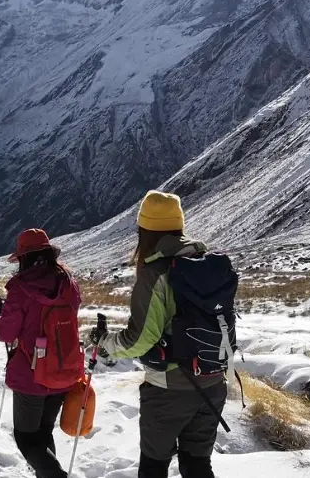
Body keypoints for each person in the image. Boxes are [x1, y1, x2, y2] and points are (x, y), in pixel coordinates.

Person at [89, 191, 233, 478]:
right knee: (197, 465)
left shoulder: (156, 272)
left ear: (145, 231)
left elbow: (139, 339)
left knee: (154, 468)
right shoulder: (209, 264)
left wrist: (105, 343)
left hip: (169, 390)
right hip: (214, 381)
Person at [0, 229, 82, 478]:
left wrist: (0, 314)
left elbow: (5, 333)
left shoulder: (21, 288)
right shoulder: (68, 283)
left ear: (23, 258)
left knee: (26, 438)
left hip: (31, 376)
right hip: (64, 369)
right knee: (43, 433)